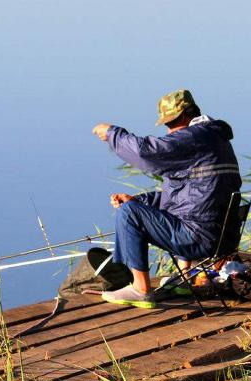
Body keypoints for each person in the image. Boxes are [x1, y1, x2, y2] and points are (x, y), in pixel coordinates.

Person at [92, 89, 241, 309]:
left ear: (185, 115)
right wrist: (139, 200)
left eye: (171, 123)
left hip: (199, 238)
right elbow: (189, 196)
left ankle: (141, 289)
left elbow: (147, 152)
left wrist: (113, 134)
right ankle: (186, 277)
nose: (169, 131)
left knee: (128, 213)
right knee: (135, 206)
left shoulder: (195, 137)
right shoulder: (215, 139)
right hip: (222, 238)